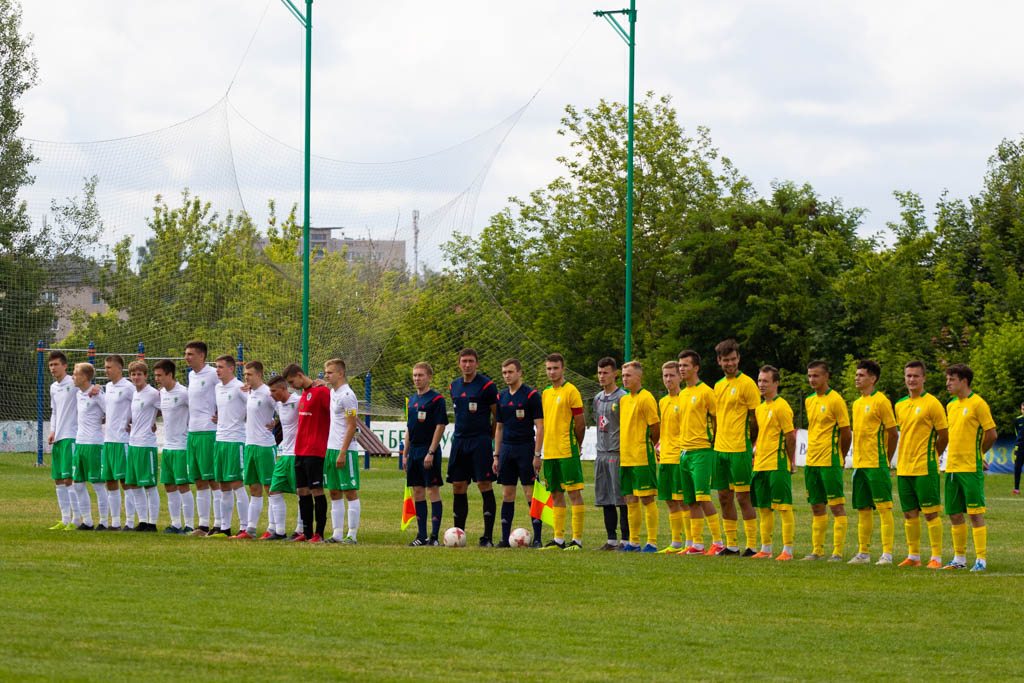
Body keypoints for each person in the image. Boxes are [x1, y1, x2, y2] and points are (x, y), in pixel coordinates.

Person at [894, 360, 948, 568]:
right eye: (908, 376)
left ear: (924, 378)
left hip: (925, 467)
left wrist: (933, 454)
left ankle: (936, 557)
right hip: (904, 467)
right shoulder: (900, 404)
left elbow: (943, 435)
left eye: (916, 376)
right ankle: (913, 556)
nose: (911, 379)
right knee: (909, 513)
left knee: (931, 513)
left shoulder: (932, 403)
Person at [943, 363, 997, 572]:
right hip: (952, 468)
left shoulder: (978, 404)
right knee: (954, 514)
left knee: (975, 513)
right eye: (947, 379)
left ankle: (981, 559)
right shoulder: (950, 405)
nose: (947, 383)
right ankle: (959, 559)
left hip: (970, 468)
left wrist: (978, 454)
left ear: (964, 381)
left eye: (952, 379)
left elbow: (991, 434)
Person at [711, 339, 761, 556]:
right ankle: (731, 545)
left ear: (738, 358)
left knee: (743, 497)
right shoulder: (718, 385)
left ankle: (751, 545)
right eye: (726, 360)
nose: (730, 363)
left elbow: (756, 417)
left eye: (733, 359)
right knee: (724, 496)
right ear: (719, 361)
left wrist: (751, 442)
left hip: (740, 449)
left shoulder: (748, 384)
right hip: (720, 449)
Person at [847, 360, 898, 566]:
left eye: (861, 375)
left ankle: (887, 554)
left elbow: (893, 433)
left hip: (877, 464)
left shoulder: (881, 401)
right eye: (856, 374)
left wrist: (885, 460)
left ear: (873, 378)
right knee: (863, 509)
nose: (857, 378)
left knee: (884, 508)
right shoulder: (857, 403)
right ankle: (864, 552)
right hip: (859, 465)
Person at [448, 348, 499, 547]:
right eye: (464, 361)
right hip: (460, 441)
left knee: (484, 484)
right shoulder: (454, 386)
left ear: (477, 363)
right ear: (459, 363)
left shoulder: (487, 386)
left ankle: (487, 537)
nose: (467, 365)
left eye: (471, 361)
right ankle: (458, 535)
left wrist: (489, 436)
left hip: (480, 441)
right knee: (458, 485)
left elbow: (497, 416)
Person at [802, 360, 851, 562]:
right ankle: (817, 551)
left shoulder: (836, 400)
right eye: (810, 376)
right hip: (811, 461)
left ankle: (837, 552)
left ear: (826, 376)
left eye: (816, 375)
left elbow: (846, 433)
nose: (812, 379)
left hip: (830, 460)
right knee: (816, 506)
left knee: (836, 506)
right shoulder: (809, 400)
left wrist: (840, 456)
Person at [675, 350, 722, 556]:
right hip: (684, 452)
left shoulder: (706, 392)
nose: (681, 369)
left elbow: (717, 419)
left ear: (696, 368)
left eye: (685, 365)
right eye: (680, 365)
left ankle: (718, 542)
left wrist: (713, 441)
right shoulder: (682, 394)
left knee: (703, 497)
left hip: (702, 451)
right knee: (691, 501)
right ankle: (697, 544)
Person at [493, 358, 544, 548]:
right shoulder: (501, 397)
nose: (507, 375)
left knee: (530, 494)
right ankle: (504, 538)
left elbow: (540, 427)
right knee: (507, 494)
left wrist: (537, 455)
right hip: (507, 450)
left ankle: (537, 538)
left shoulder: (531, 395)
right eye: (504, 372)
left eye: (510, 372)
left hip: (526, 448)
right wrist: (496, 455)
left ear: (520, 373)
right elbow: (499, 427)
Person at [539, 353, 587, 550]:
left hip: (567, 450)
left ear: (563, 369)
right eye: (549, 368)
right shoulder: (545, 393)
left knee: (574, 493)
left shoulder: (571, 391)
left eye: (555, 368)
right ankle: (558, 539)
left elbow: (581, 424)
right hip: (550, 452)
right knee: (556, 494)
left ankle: (577, 540)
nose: (552, 372)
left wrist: (577, 444)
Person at [751, 365, 797, 560]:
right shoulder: (760, 408)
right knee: (763, 508)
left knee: (783, 507)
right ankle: (766, 549)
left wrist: (790, 461)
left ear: (776, 383)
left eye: (765, 381)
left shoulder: (782, 406)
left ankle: (788, 550)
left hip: (777, 463)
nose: (761, 384)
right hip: (760, 464)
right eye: (759, 380)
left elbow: (790, 437)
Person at [283, 363, 331, 543]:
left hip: (315, 450)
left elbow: (334, 414)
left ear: (299, 375)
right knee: (301, 490)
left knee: (317, 490)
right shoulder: (303, 394)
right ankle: (307, 532)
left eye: (291, 382)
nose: (291, 386)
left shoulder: (322, 392)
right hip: (300, 450)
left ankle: (319, 533)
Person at [404, 361, 448, 546]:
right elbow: (409, 427)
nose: (417, 378)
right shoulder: (412, 400)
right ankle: (421, 536)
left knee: (432, 490)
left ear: (429, 377)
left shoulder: (437, 400)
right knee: (417, 491)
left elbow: (440, 426)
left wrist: (431, 451)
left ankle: (434, 537)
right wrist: (405, 454)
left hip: (428, 450)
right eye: (415, 375)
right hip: (413, 451)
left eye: (420, 375)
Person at [618, 360, 661, 552]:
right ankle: (634, 542)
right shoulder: (624, 400)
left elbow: (655, 427)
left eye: (628, 375)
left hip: (642, 457)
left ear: (639, 376)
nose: (625, 379)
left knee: (647, 498)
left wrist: (647, 445)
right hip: (626, 458)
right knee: (630, 499)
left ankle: (651, 542)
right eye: (623, 376)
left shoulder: (646, 398)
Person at [232, 360, 277, 539]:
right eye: (245, 374)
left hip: (264, 446)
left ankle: (272, 528)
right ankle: (250, 529)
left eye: (249, 374)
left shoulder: (268, 392)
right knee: (254, 488)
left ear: (259, 375)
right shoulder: (249, 392)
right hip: (250, 445)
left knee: (270, 489)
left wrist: (275, 422)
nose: (246, 377)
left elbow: (284, 407)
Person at [592, 357, 629, 550]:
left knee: (621, 498)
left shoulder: (623, 397)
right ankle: (611, 539)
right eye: (599, 373)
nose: (601, 376)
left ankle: (626, 539)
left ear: (615, 374)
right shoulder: (597, 398)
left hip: (617, 453)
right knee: (605, 497)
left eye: (605, 373)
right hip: (601, 454)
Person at [210, 354, 248, 537]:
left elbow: (255, 406)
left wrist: (269, 421)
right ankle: (224, 528)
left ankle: (245, 527)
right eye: (216, 366)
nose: (217, 370)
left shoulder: (240, 387)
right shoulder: (217, 388)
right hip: (220, 440)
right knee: (223, 485)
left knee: (237, 483)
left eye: (221, 367)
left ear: (231, 368)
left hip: (235, 441)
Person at [324, 358, 361, 544]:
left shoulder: (347, 395)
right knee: (334, 491)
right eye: (326, 372)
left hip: (344, 450)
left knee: (350, 491)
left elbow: (352, 426)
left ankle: (352, 535)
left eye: (330, 372)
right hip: (331, 449)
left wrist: (343, 452)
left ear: (341, 374)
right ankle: (337, 534)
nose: (326, 375)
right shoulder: (333, 392)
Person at [184, 341, 219, 536]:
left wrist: (221, 413)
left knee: (213, 479)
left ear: (202, 356)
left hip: (208, 432)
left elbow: (231, 389)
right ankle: (203, 525)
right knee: (198, 481)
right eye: (186, 354)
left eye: (190, 354)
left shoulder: (213, 374)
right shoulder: (191, 375)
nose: (186, 357)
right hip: (193, 432)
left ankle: (219, 524)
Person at [154, 360, 192, 534]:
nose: (157, 379)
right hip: (167, 447)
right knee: (169, 486)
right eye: (155, 375)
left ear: (170, 375)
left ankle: (189, 525)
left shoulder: (184, 393)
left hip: (182, 447)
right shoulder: (161, 393)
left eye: (160, 375)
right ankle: (175, 524)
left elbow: (197, 410)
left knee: (183, 486)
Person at [263, 375, 302, 540]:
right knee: (274, 490)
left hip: (297, 454)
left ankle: (300, 530)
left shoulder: (298, 401)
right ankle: (279, 531)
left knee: (301, 493)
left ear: (284, 388)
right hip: (284, 454)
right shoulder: (278, 404)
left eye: (273, 391)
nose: (271, 394)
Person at [656, 361, 688, 553]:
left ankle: (691, 542)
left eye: (672, 375)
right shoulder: (662, 401)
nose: (668, 379)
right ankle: (676, 542)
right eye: (665, 375)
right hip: (665, 457)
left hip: (679, 457)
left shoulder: (684, 399)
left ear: (680, 377)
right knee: (669, 500)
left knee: (683, 500)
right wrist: (659, 445)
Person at [125, 360, 160, 532]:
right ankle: (143, 521)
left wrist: (153, 422)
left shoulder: (153, 393)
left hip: (146, 444)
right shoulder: (134, 394)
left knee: (149, 485)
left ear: (145, 376)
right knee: (134, 485)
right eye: (133, 374)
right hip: (133, 443)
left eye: (139, 374)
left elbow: (165, 408)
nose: (136, 377)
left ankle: (152, 523)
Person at [71, 362, 105, 530]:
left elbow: (111, 411)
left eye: (75, 374)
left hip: (94, 444)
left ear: (84, 377)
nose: (72, 377)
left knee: (97, 484)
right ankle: (87, 521)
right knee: (77, 483)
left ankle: (104, 522)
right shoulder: (78, 393)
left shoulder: (97, 394)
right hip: (80, 443)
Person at [46, 351, 78, 530]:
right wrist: (52, 430)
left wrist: (96, 388)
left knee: (68, 479)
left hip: (71, 436)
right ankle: (64, 519)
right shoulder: (53, 387)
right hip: (58, 437)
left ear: (65, 366)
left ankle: (76, 518)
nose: (53, 368)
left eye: (56, 364)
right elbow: (55, 411)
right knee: (58, 480)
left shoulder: (73, 383)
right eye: (51, 365)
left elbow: (89, 388)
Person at [101, 355, 133, 530]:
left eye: (109, 367)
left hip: (122, 441)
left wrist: (135, 422)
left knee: (126, 482)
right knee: (110, 482)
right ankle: (115, 522)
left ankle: (129, 522)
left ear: (119, 368)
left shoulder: (129, 387)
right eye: (105, 367)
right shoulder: (108, 387)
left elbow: (143, 404)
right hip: (108, 440)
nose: (106, 370)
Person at [1014, 403, 1024, 495]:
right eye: (1022, 409)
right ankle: (1016, 489)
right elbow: (1017, 432)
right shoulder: (1018, 420)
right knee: (1017, 467)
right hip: (1020, 447)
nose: (1023, 411)